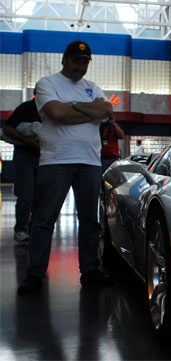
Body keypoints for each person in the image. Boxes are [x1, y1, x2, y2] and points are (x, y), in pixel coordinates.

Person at [18, 40, 114, 294]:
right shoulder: (47, 83)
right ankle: (35, 273)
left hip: (90, 162)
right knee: (43, 219)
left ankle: (90, 269)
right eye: (75, 60)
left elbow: (107, 110)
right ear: (65, 60)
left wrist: (71, 106)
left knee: (90, 221)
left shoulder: (93, 87)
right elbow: (56, 114)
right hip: (56, 161)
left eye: (84, 62)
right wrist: (89, 112)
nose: (80, 66)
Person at [3, 92, 42, 243]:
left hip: (44, 157)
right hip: (24, 155)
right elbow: (7, 128)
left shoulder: (52, 110)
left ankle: (34, 228)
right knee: (26, 193)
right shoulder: (26, 108)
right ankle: (20, 229)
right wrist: (27, 141)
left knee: (41, 196)